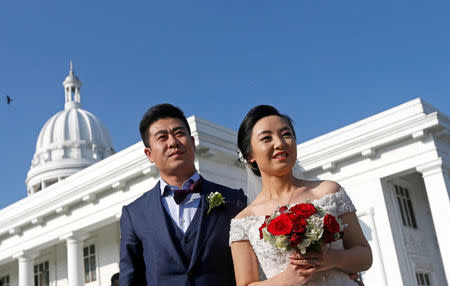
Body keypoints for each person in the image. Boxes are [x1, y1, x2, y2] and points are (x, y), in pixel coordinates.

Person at [230, 105, 372, 285]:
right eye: (267, 138)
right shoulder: (243, 222)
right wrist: (287, 279)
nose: (280, 143)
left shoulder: (329, 191)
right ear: (249, 154)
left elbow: (365, 256)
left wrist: (332, 258)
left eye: (286, 135)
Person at [119, 103, 247, 286]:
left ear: (193, 143)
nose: (172, 142)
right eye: (162, 137)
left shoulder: (234, 201)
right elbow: (130, 280)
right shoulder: (134, 214)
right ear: (149, 154)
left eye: (179, 133)